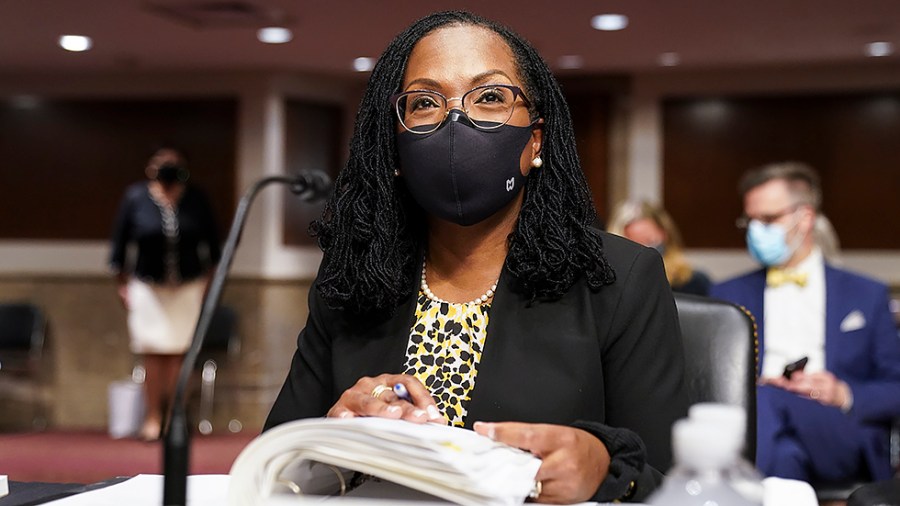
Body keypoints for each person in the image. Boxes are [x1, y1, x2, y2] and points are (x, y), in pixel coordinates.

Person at [264, 11, 688, 504]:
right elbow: (273, 468)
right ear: (395, 151)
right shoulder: (351, 275)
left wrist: (605, 468)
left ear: (535, 141)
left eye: (489, 97)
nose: (455, 121)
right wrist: (335, 434)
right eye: (424, 102)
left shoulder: (619, 278)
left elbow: (676, 482)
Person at [710, 161, 900, 485]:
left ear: (805, 218)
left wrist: (842, 393)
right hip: (759, 427)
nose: (756, 230)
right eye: (750, 220)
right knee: (784, 455)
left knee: (766, 399)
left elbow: (894, 386)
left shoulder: (865, 294)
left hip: (839, 429)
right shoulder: (727, 293)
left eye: (768, 219)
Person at [109, 145, 221, 441]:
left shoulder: (196, 198)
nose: (168, 169)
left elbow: (213, 247)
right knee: (152, 352)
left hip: (188, 286)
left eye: (174, 164)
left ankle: (175, 416)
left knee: (179, 353)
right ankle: (152, 417)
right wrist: (122, 284)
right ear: (150, 168)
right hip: (147, 286)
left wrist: (208, 285)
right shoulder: (135, 197)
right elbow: (119, 246)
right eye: (162, 163)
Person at [607, 200, 712, 296]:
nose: (644, 253)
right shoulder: (606, 287)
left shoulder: (693, 283)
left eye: (651, 242)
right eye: (634, 245)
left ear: (665, 235)